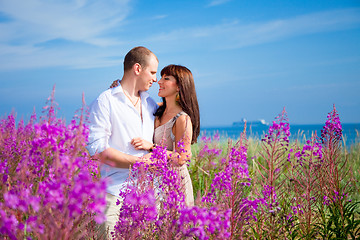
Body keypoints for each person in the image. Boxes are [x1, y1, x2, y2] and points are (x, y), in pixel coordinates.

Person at [86, 46, 159, 237]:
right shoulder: (106, 101)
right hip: (113, 194)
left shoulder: (150, 104)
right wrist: (139, 163)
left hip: (147, 198)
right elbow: (97, 150)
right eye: (152, 72)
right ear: (137, 69)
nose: (155, 78)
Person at [111, 64, 200, 206]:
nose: (159, 81)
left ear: (179, 87)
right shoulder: (157, 109)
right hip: (156, 182)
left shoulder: (182, 119)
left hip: (175, 184)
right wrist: (118, 90)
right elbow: (133, 105)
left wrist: (152, 147)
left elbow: (183, 157)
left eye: (167, 78)